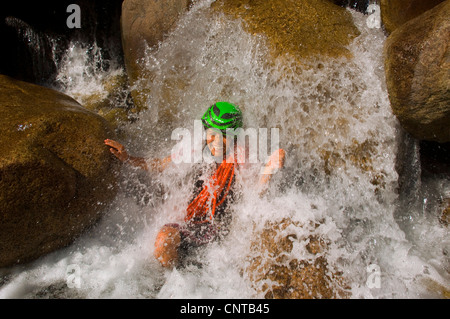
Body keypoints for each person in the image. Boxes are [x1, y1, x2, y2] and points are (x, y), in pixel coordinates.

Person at [105, 102, 285, 268]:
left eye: (223, 136)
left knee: (165, 241)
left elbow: (254, 196)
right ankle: (170, 284)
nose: (215, 141)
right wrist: (128, 158)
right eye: (211, 133)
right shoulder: (195, 147)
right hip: (190, 222)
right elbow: (162, 166)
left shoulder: (242, 156)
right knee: (163, 243)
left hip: (217, 230)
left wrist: (269, 170)